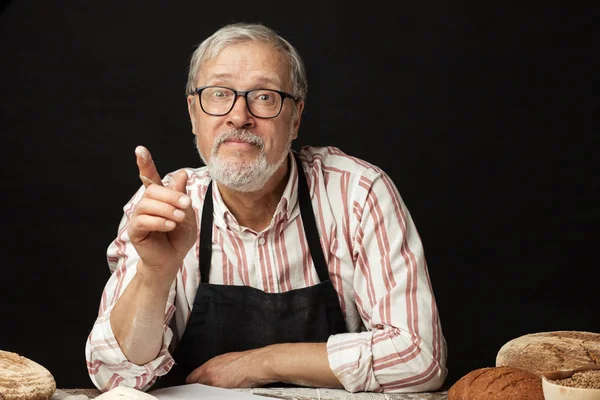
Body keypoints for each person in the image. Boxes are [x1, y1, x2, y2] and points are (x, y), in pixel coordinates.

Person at [85, 22, 447, 394]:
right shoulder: (164, 207)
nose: (239, 116)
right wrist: (155, 273)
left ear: (296, 117)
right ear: (194, 113)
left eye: (264, 97)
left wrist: (261, 362)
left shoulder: (356, 193)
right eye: (219, 93)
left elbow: (420, 359)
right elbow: (114, 378)